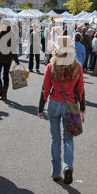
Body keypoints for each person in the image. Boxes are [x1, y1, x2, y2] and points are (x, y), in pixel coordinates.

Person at [38, 36, 85, 184]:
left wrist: (41, 107)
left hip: (54, 104)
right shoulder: (77, 67)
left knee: (55, 138)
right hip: (70, 105)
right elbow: (81, 90)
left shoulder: (51, 66)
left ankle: (55, 172)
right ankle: (67, 166)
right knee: (68, 138)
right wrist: (82, 107)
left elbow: (45, 89)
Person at [0, 20, 19, 101]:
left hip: (7, 59)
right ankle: (0, 92)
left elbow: (13, 48)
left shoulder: (11, 34)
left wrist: (16, 60)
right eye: (1, 25)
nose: (2, 26)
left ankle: (4, 94)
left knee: (5, 76)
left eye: (3, 25)